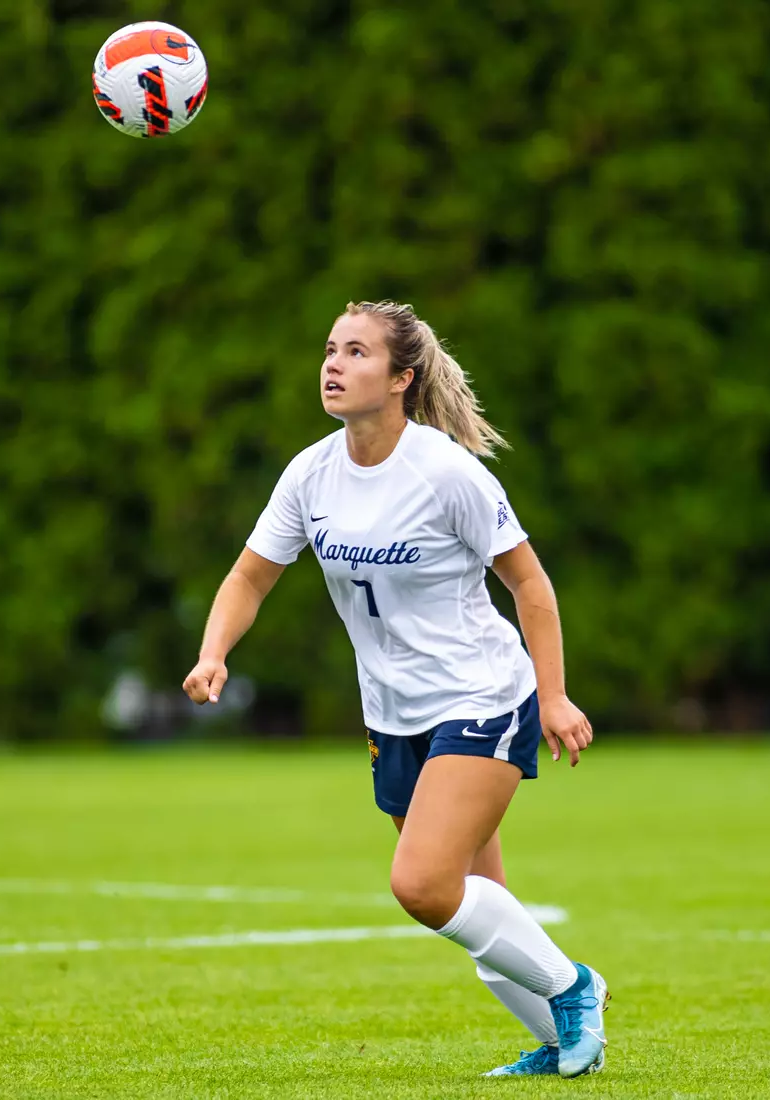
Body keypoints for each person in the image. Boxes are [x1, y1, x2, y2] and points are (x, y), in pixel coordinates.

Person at [182, 301, 609, 1078]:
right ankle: (559, 1044)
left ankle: (575, 988)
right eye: (329, 350)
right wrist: (215, 653)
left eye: (356, 352)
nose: (333, 364)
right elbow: (249, 577)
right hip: (393, 713)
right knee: (478, 898)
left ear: (402, 377)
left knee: (422, 884)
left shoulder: (447, 472)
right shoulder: (310, 473)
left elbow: (532, 587)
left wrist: (553, 696)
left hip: (481, 697)